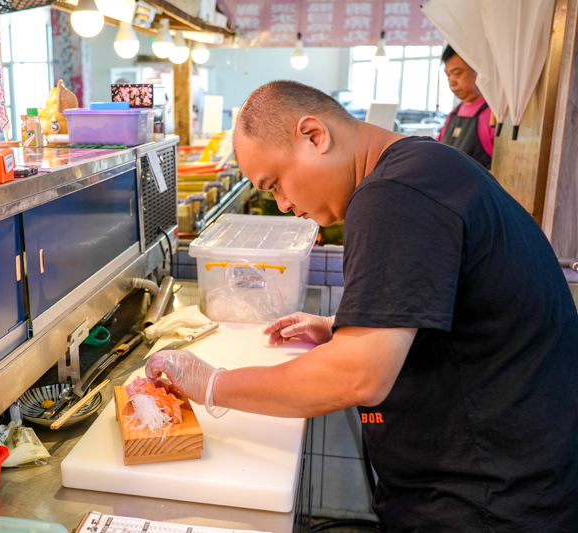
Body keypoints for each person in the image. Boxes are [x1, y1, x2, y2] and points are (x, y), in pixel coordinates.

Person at [146, 80, 578, 531]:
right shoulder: (422, 166)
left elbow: (359, 375)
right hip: (505, 483)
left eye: (275, 184)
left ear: (314, 135)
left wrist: (211, 383)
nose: (285, 205)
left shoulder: (393, 193)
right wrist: (347, 324)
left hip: (486, 501)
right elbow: (456, 304)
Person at [438, 45, 494, 170]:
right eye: (448, 75)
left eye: (457, 73)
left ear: (479, 71)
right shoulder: (454, 113)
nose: (451, 82)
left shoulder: (494, 114)